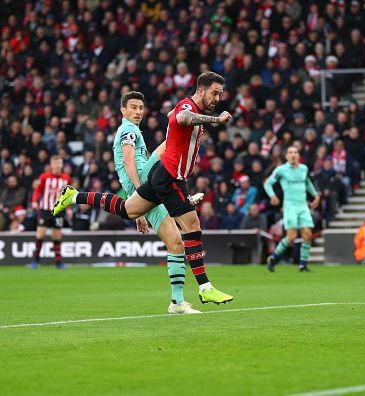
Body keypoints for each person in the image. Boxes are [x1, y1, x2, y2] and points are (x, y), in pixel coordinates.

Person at [53, 72, 234, 305]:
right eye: (214, 93)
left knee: (130, 211)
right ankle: (203, 288)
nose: (218, 98)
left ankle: (75, 196)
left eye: (141, 107)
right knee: (190, 229)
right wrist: (216, 120)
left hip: (161, 176)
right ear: (201, 90)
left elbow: (174, 116)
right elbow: (180, 117)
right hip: (167, 177)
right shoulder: (139, 126)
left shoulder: (175, 113)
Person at [112, 91, 200, 314]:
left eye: (140, 108)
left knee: (176, 243)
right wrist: (141, 193)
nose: (138, 112)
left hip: (148, 187)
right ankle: (177, 302)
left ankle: (177, 301)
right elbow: (129, 162)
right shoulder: (127, 131)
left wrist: (139, 208)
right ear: (123, 110)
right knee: (170, 145)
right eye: (133, 107)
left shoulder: (132, 130)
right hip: (148, 184)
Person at [264, 146, 320, 272]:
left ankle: (303, 265)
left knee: (307, 234)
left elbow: (307, 183)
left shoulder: (303, 169)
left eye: (295, 152)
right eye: (290, 152)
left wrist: (315, 195)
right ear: (286, 156)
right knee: (291, 237)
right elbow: (267, 183)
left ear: (298, 155)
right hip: (290, 206)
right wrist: (272, 196)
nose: (293, 155)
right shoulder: (281, 170)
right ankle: (273, 258)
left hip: (303, 206)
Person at [30, 156, 71, 269]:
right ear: (52, 165)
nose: (57, 166)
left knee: (57, 235)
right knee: (40, 233)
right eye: (55, 163)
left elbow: (68, 195)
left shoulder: (66, 178)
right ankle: (36, 260)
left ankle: (58, 261)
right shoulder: (44, 177)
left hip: (59, 211)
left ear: (62, 164)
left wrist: (69, 209)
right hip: (45, 209)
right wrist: (34, 201)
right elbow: (38, 190)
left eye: (59, 163)